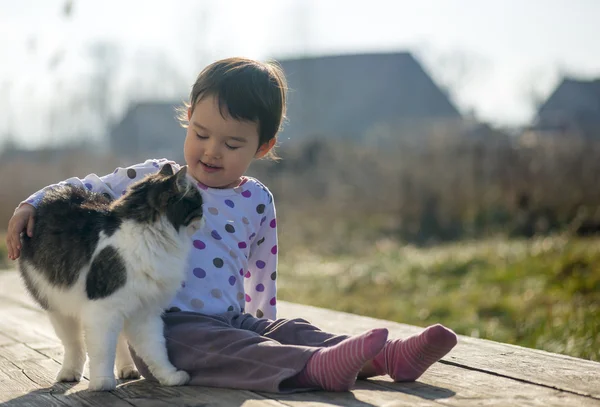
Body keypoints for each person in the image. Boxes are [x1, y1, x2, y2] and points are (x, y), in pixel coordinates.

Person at [6, 57, 457, 393]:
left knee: (284, 332)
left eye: (232, 142)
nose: (211, 151)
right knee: (227, 349)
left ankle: (386, 355)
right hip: (169, 327)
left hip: (231, 316)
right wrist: (32, 202)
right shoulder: (156, 178)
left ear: (264, 146)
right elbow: (89, 185)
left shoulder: (257, 199)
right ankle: (311, 368)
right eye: (200, 134)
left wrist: (264, 323)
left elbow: (262, 270)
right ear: (187, 119)